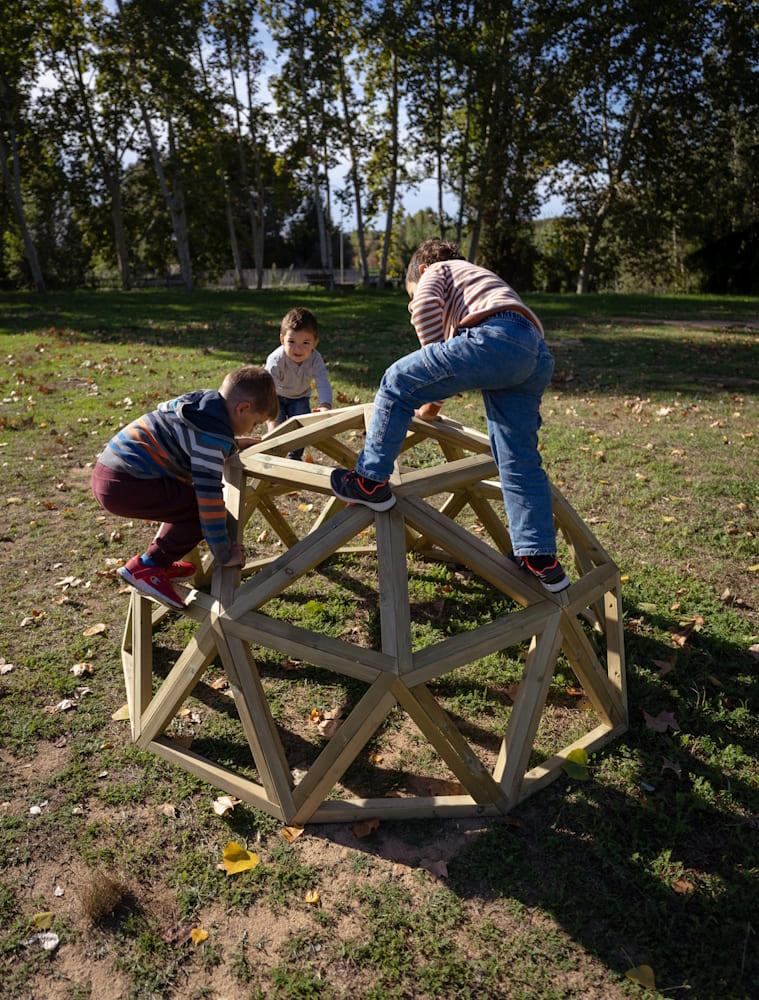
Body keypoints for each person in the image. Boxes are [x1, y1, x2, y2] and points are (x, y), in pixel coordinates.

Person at [330, 238, 569, 593]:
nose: (414, 301)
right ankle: (539, 556)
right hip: (533, 352)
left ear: (421, 270)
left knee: (397, 379)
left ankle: (370, 480)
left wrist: (430, 362)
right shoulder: (475, 282)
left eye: (409, 295)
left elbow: (426, 310)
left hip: (496, 335)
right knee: (517, 456)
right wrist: (433, 397)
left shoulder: (436, 271)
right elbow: (460, 358)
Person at [91, 366, 278, 609]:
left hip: (109, 470)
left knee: (184, 504)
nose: (253, 429)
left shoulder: (201, 404)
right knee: (197, 512)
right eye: (255, 423)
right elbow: (209, 499)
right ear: (242, 408)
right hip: (128, 483)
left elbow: (191, 436)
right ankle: (148, 567)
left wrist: (232, 443)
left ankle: (160, 564)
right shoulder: (211, 440)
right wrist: (224, 552)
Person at [265, 307, 333, 460]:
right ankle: (273, 459)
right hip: (275, 397)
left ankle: (294, 458)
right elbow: (267, 388)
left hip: (300, 398)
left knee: (301, 431)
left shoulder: (315, 359)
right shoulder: (276, 360)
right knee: (276, 430)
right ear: (282, 340)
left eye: (305, 342)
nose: (298, 348)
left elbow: (322, 382)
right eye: (291, 341)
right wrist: (270, 416)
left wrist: (325, 405)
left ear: (315, 342)